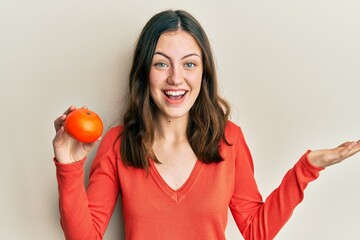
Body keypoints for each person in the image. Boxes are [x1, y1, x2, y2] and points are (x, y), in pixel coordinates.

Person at [52, 10, 360, 240]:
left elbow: (256, 229)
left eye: (189, 64)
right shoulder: (119, 144)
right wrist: (68, 165)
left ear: (203, 73)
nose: (176, 78)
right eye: (161, 63)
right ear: (144, 72)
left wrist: (306, 168)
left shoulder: (229, 140)